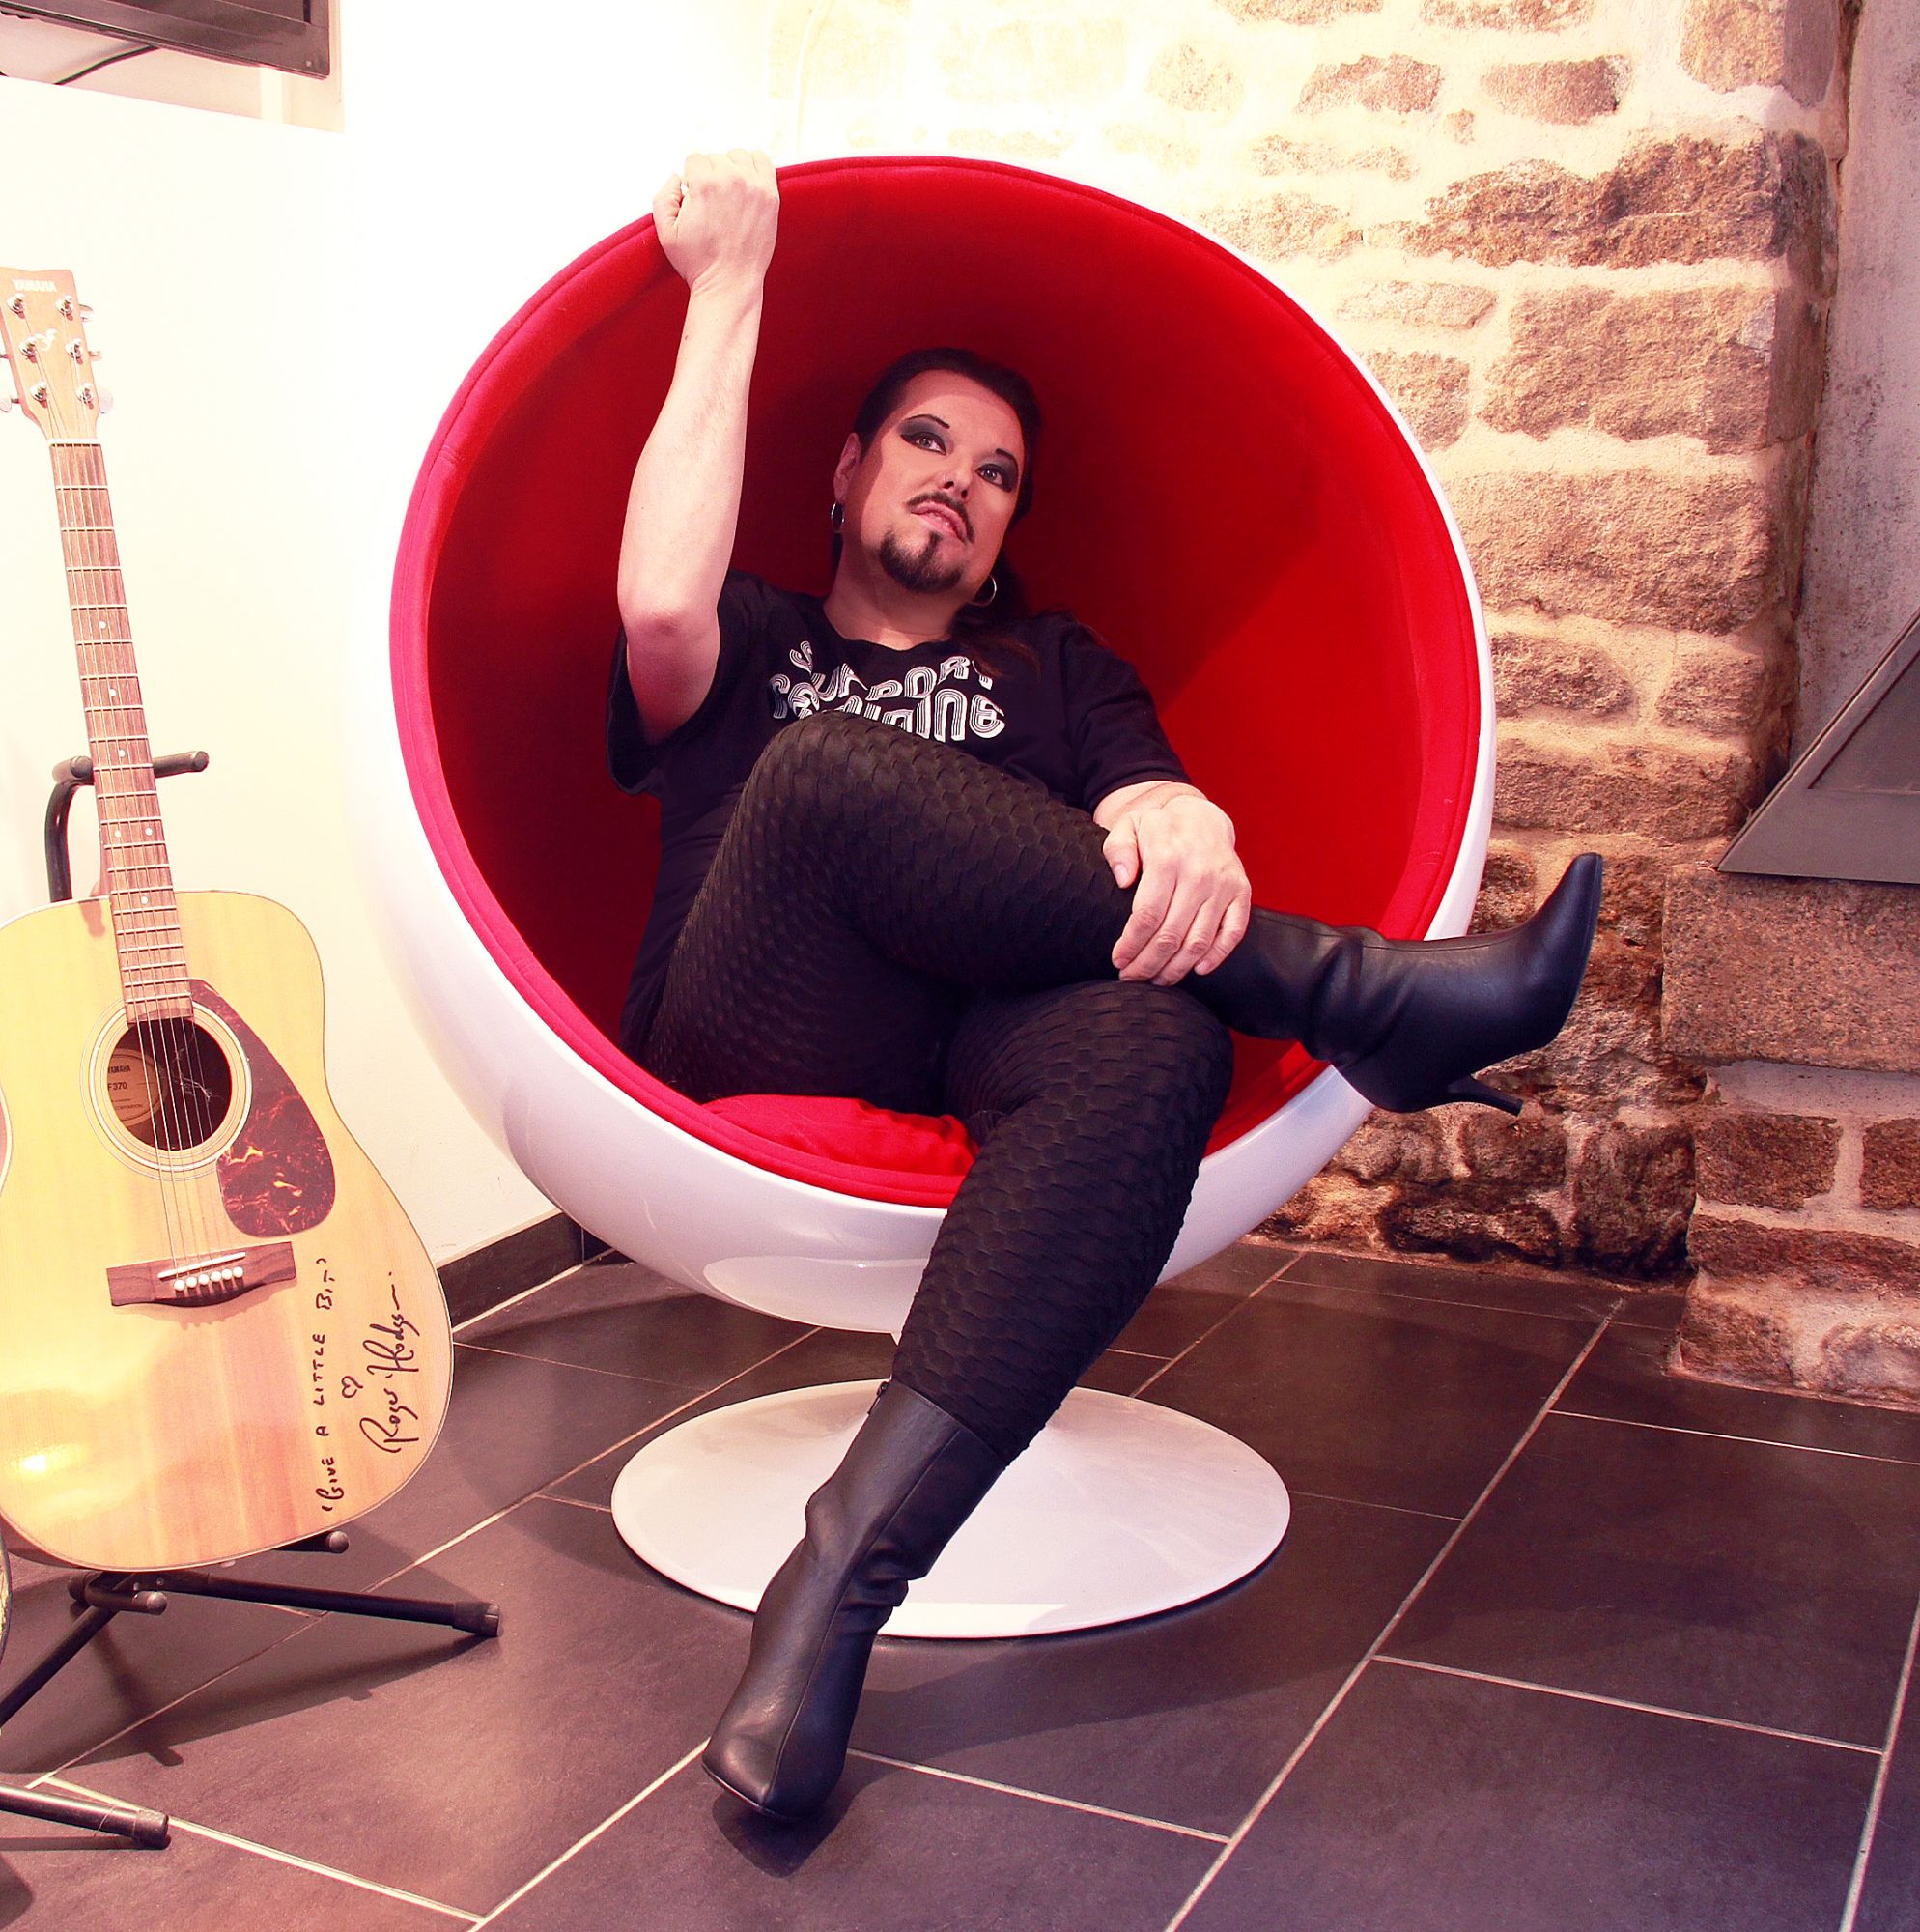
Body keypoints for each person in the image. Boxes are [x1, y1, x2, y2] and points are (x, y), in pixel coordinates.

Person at [609, 150, 1602, 1824]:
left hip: (982, 1034)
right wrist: (732, 277)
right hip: (757, 1001)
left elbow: (1160, 822)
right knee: (828, 765)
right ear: (848, 468)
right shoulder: (755, 632)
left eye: (996, 471)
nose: (959, 481)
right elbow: (652, 602)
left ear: (1010, 526)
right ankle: (1354, 991)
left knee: (1154, 1036)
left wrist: (1186, 819)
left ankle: (835, 1591)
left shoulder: (1056, 666)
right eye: (926, 442)